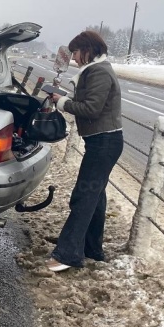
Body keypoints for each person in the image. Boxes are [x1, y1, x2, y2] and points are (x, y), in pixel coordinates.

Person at [46, 30, 123, 272]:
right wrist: (64, 96)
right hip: (102, 142)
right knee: (95, 197)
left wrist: (60, 102)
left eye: (76, 52)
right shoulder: (96, 70)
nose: (74, 58)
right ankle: (92, 249)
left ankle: (67, 255)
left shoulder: (98, 71)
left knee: (84, 196)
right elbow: (89, 100)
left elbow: (91, 108)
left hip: (104, 143)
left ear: (88, 50)